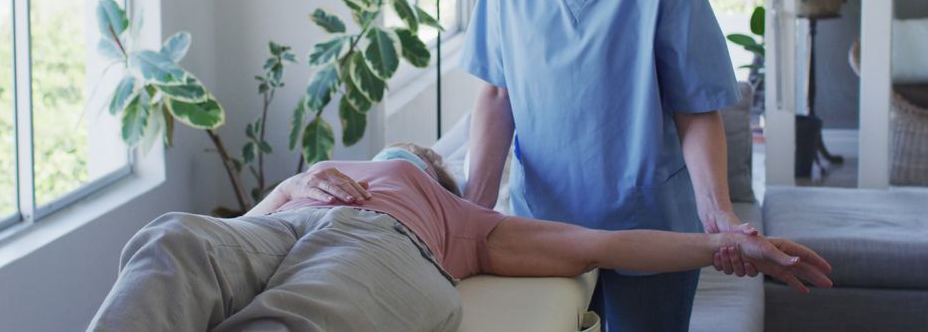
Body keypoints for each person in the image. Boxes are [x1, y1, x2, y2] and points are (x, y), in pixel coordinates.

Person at [457, 0, 755, 331]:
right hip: (543, 230)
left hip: (648, 225)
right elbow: (498, 94)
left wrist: (719, 213)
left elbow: (696, 106)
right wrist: (469, 215)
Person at [88, 145, 832, 332]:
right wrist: (298, 184)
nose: (400, 156)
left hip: (384, 247)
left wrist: (723, 245)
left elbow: (599, 244)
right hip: (281, 224)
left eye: (417, 157)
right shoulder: (319, 172)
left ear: (435, 175)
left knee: (304, 308)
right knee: (172, 241)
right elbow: (232, 240)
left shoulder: (459, 219)